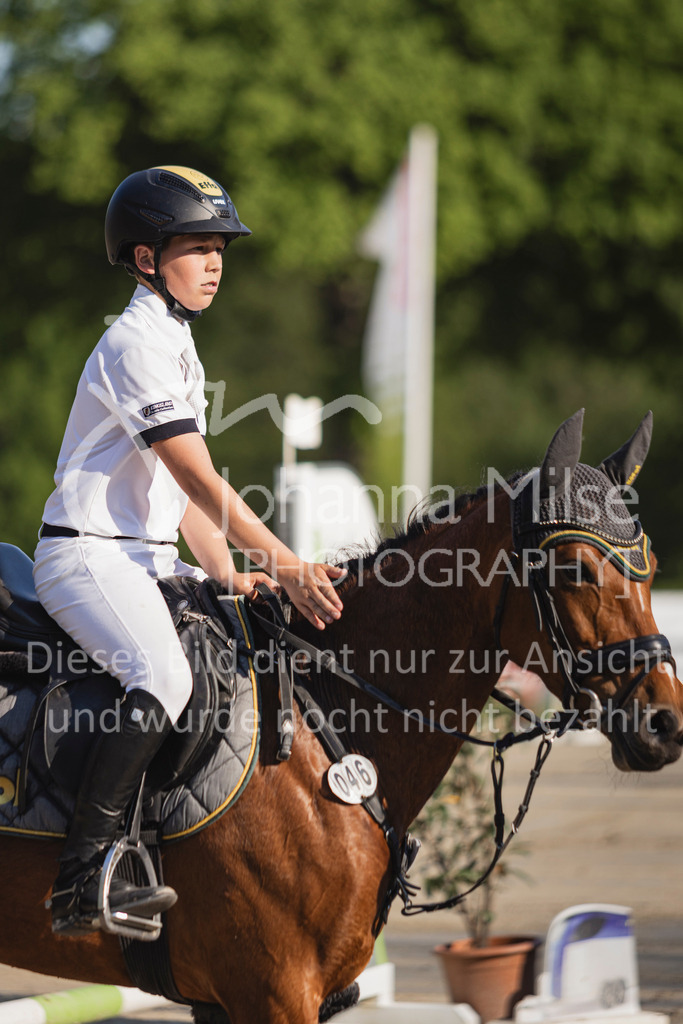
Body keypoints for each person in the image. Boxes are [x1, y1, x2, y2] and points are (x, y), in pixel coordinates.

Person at [33, 165, 345, 937]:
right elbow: (198, 476)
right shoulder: (131, 344)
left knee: (237, 651)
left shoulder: (176, 343)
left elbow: (183, 497)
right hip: (88, 559)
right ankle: (80, 879)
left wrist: (231, 574)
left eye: (220, 250)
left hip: (144, 558)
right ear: (146, 259)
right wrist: (285, 563)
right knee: (164, 675)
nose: (214, 264)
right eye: (197, 247)